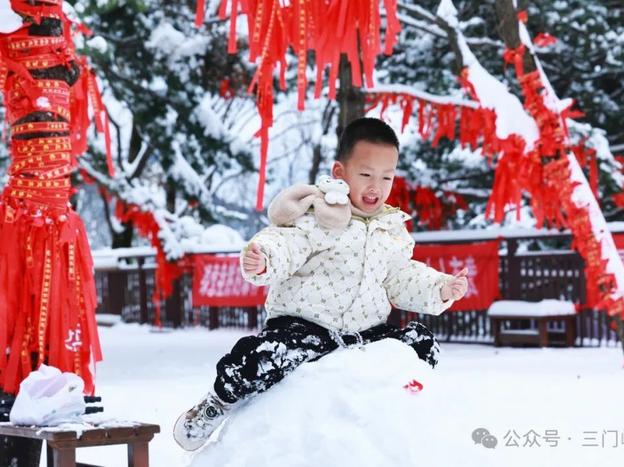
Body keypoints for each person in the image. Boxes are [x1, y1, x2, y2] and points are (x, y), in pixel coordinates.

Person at [173, 117, 468, 451]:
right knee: (268, 357)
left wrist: (439, 288)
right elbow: (288, 243)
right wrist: (266, 258)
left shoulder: (391, 228)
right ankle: (220, 400)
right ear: (340, 173)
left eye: (386, 177)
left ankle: (411, 408)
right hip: (305, 325)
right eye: (366, 175)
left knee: (420, 342)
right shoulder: (320, 214)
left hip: (365, 333)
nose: (376, 186)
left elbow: (401, 276)